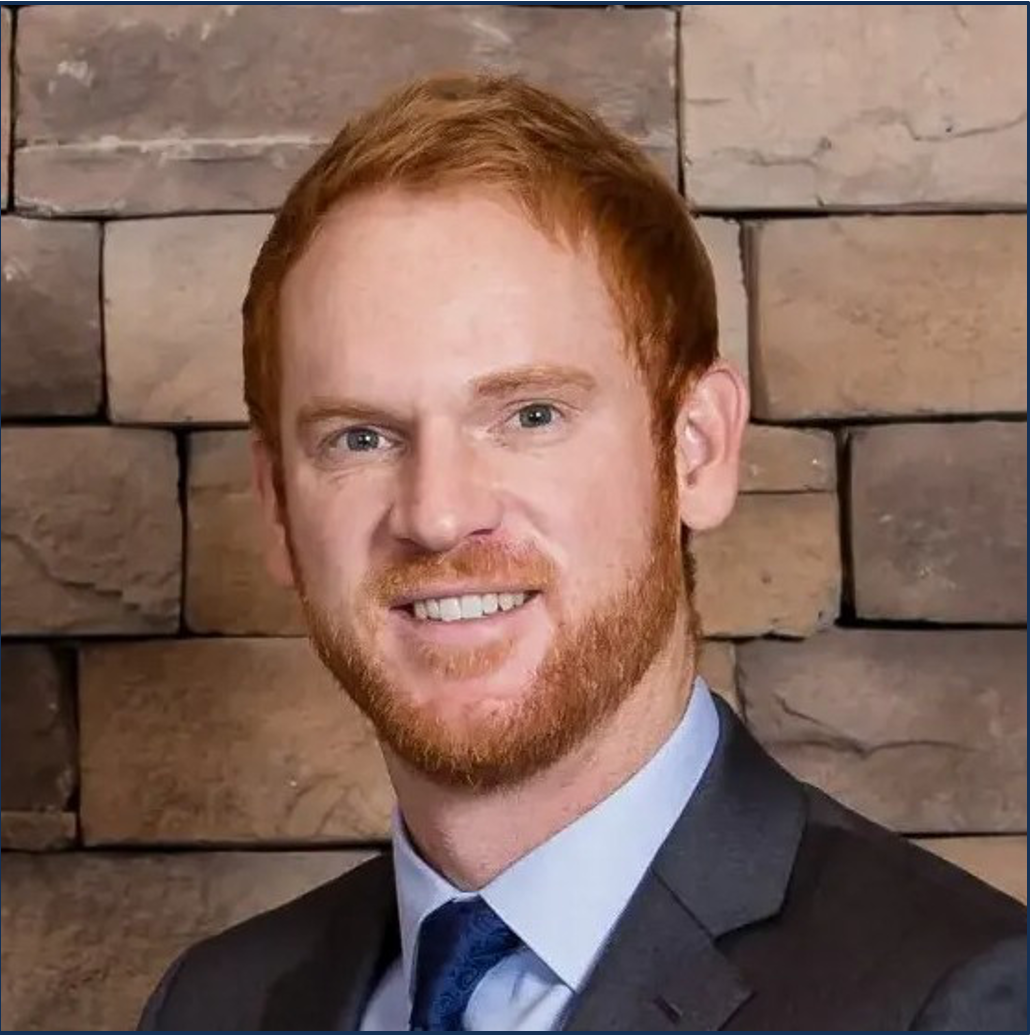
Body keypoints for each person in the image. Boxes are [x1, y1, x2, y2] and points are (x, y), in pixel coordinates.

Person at [138, 73, 1026, 1032]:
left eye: (529, 415)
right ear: (276, 504)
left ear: (696, 448)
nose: (438, 515)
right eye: (360, 437)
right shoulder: (213, 1005)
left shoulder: (962, 1001)